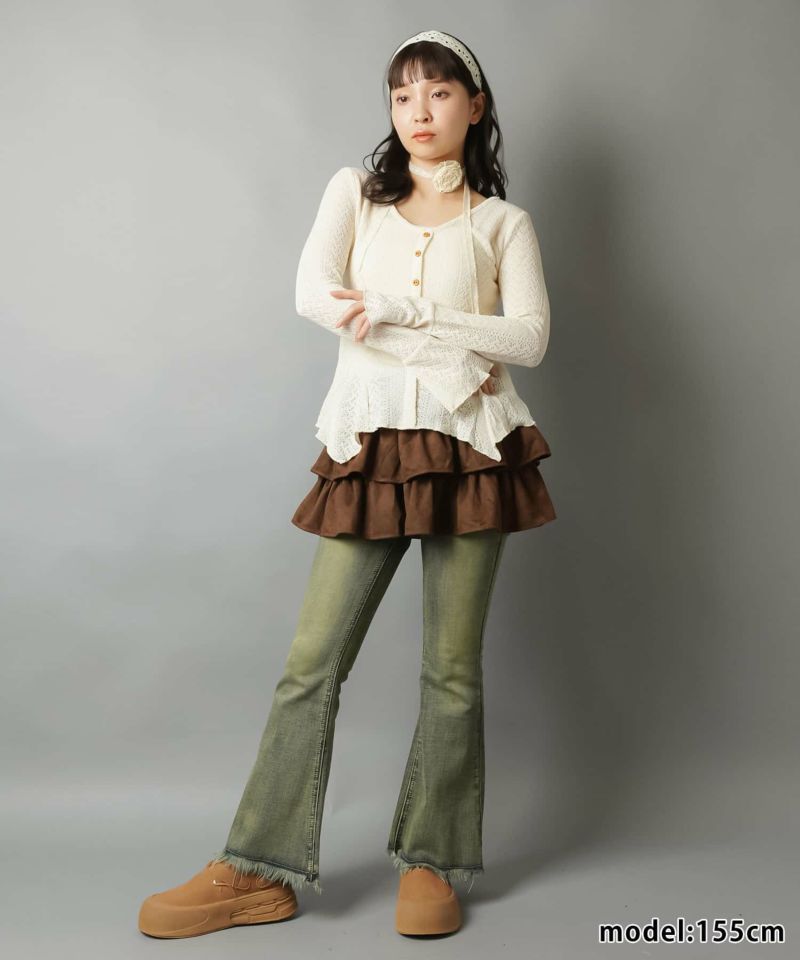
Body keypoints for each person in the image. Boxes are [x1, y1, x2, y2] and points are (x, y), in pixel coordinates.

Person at [138, 28, 556, 940]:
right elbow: (315, 297)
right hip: (369, 448)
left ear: (474, 106)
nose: (418, 111)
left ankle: (433, 860)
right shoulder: (355, 196)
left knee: (452, 671)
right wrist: (455, 351)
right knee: (311, 663)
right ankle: (259, 866)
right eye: (402, 95)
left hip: (474, 451)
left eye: (438, 92)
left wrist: (405, 312)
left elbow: (528, 339)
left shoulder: (502, 223)